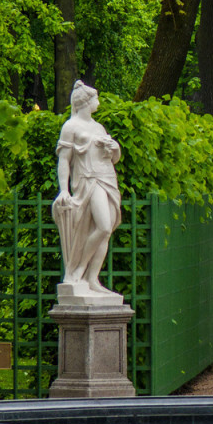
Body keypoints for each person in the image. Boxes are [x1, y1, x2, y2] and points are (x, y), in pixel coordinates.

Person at [52, 81, 122, 296]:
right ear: (85, 102)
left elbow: (113, 158)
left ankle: (92, 280)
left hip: (107, 178)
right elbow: (64, 160)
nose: (98, 103)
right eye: (96, 99)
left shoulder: (98, 127)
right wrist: (64, 190)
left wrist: (114, 148)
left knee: (106, 231)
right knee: (103, 226)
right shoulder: (70, 127)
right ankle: (78, 272)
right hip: (88, 180)